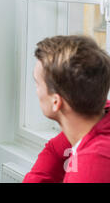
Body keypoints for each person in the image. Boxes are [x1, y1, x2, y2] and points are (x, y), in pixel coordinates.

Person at [23, 35, 110, 183]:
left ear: (56, 102)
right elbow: (55, 150)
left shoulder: (91, 167)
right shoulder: (100, 115)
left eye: (37, 84)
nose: (36, 91)